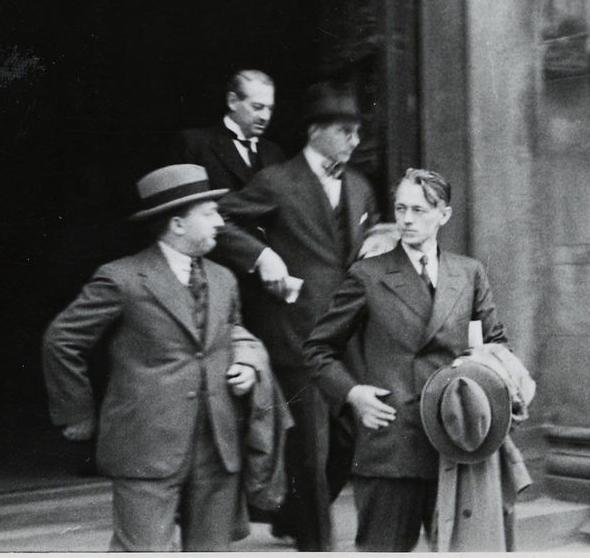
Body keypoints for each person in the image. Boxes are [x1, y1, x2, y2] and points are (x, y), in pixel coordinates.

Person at [42, 164, 264, 551]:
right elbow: (61, 340)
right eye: (209, 213)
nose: (220, 223)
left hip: (217, 443)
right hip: (146, 446)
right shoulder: (122, 278)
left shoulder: (223, 278)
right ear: (177, 224)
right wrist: (78, 414)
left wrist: (245, 361)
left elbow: (234, 331)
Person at [304, 168, 508, 552]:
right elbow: (318, 349)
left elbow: (497, 345)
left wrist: (479, 375)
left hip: (455, 441)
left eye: (419, 210)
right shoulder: (368, 275)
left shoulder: (469, 273)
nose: (407, 220)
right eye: (400, 209)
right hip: (391, 445)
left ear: (444, 215)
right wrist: (353, 394)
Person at [213, 81, 378, 551]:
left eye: (357, 132)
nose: (354, 141)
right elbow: (220, 219)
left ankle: (291, 515)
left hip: (347, 336)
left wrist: (377, 244)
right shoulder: (277, 181)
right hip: (297, 334)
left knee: (351, 438)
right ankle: (315, 543)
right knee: (310, 448)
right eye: (344, 131)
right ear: (315, 131)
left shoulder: (360, 185)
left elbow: (366, 240)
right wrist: (262, 255)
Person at [169, 69, 285, 193]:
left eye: (270, 109)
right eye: (257, 107)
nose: (265, 117)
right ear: (232, 101)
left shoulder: (275, 154)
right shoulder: (194, 144)